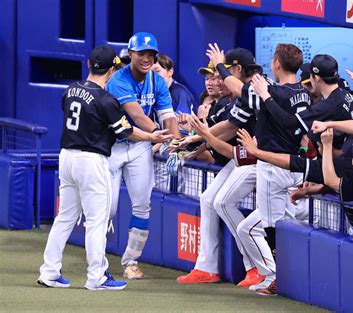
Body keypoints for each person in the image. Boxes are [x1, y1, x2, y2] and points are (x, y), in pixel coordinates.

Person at [38, 45, 170, 290]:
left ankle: (49, 271)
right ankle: (96, 276)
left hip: (66, 156)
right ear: (111, 70)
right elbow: (126, 131)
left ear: (89, 64)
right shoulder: (106, 99)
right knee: (97, 220)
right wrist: (153, 137)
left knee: (65, 218)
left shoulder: (70, 90)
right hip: (91, 160)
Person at [204, 43, 312, 295]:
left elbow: (237, 88)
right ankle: (279, 276)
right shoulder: (303, 93)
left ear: (277, 64)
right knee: (272, 225)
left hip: (273, 166)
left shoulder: (271, 93)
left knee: (266, 228)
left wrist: (220, 65)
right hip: (293, 165)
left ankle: (276, 277)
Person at [176, 47, 264, 288]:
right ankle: (206, 267)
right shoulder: (238, 98)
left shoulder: (258, 86)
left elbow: (229, 125)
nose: (217, 79)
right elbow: (229, 127)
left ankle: (256, 266)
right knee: (208, 198)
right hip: (244, 157)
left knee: (223, 202)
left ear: (237, 69)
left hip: (264, 159)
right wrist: (194, 138)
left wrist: (197, 137)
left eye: (221, 73)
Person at [106, 32, 180, 279]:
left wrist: (177, 141)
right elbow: (135, 115)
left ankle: (131, 261)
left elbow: (168, 116)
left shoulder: (157, 82)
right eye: (141, 53)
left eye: (150, 54)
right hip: (113, 145)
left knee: (142, 204)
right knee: (108, 209)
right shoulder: (118, 79)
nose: (146, 58)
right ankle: (96, 262)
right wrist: (159, 134)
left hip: (139, 147)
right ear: (130, 54)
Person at [152, 53, 197, 119]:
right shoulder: (154, 92)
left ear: (170, 72)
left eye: (157, 71)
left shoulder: (180, 92)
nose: (153, 76)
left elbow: (182, 126)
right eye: (150, 72)